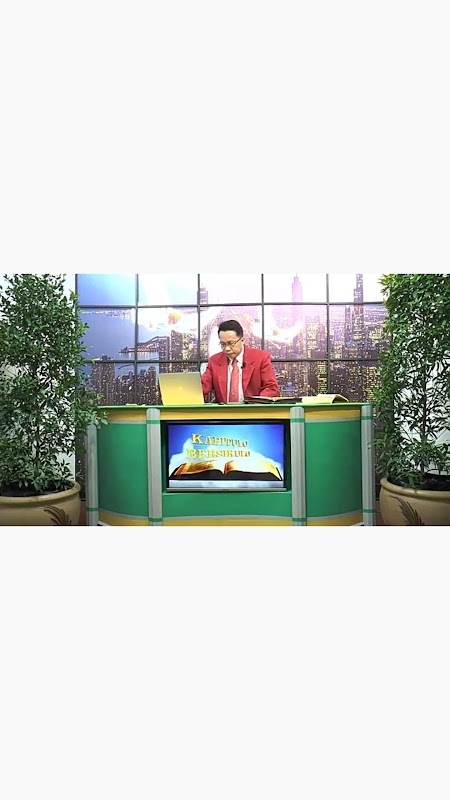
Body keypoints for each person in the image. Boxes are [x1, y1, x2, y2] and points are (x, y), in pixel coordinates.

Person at [201, 320, 280, 403]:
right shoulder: (214, 361)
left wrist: (255, 405)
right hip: (224, 411)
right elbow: (203, 387)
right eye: (223, 344)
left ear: (242, 340)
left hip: (254, 409)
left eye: (231, 343)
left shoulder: (260, 358)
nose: (227, 349)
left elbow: (271, 387)